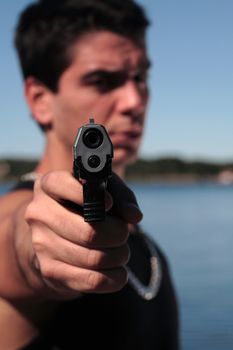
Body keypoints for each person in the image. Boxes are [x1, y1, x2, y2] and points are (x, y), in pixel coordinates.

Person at [0, 1, 179, 349]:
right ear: (40, 100)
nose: (134, 100)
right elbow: (17, 239)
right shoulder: (25, 214)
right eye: (101, 80)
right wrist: (38, 250)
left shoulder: (139, 236)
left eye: (140, 77)